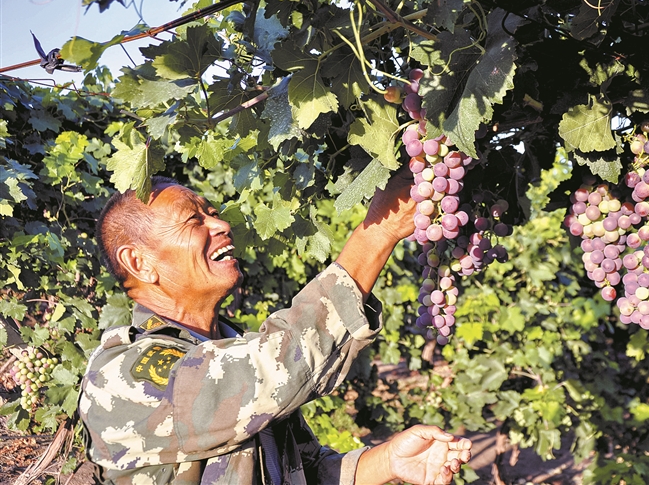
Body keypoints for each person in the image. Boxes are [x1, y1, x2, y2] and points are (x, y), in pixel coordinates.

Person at [78, 174, 472, 484]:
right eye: (194, 219)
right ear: (139, 263)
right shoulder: (124, 374)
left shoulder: (228, 346)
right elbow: (271, 368)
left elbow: (305, 473)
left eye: (213, 211)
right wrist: (377, 233)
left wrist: (388, 461)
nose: (220, 223)